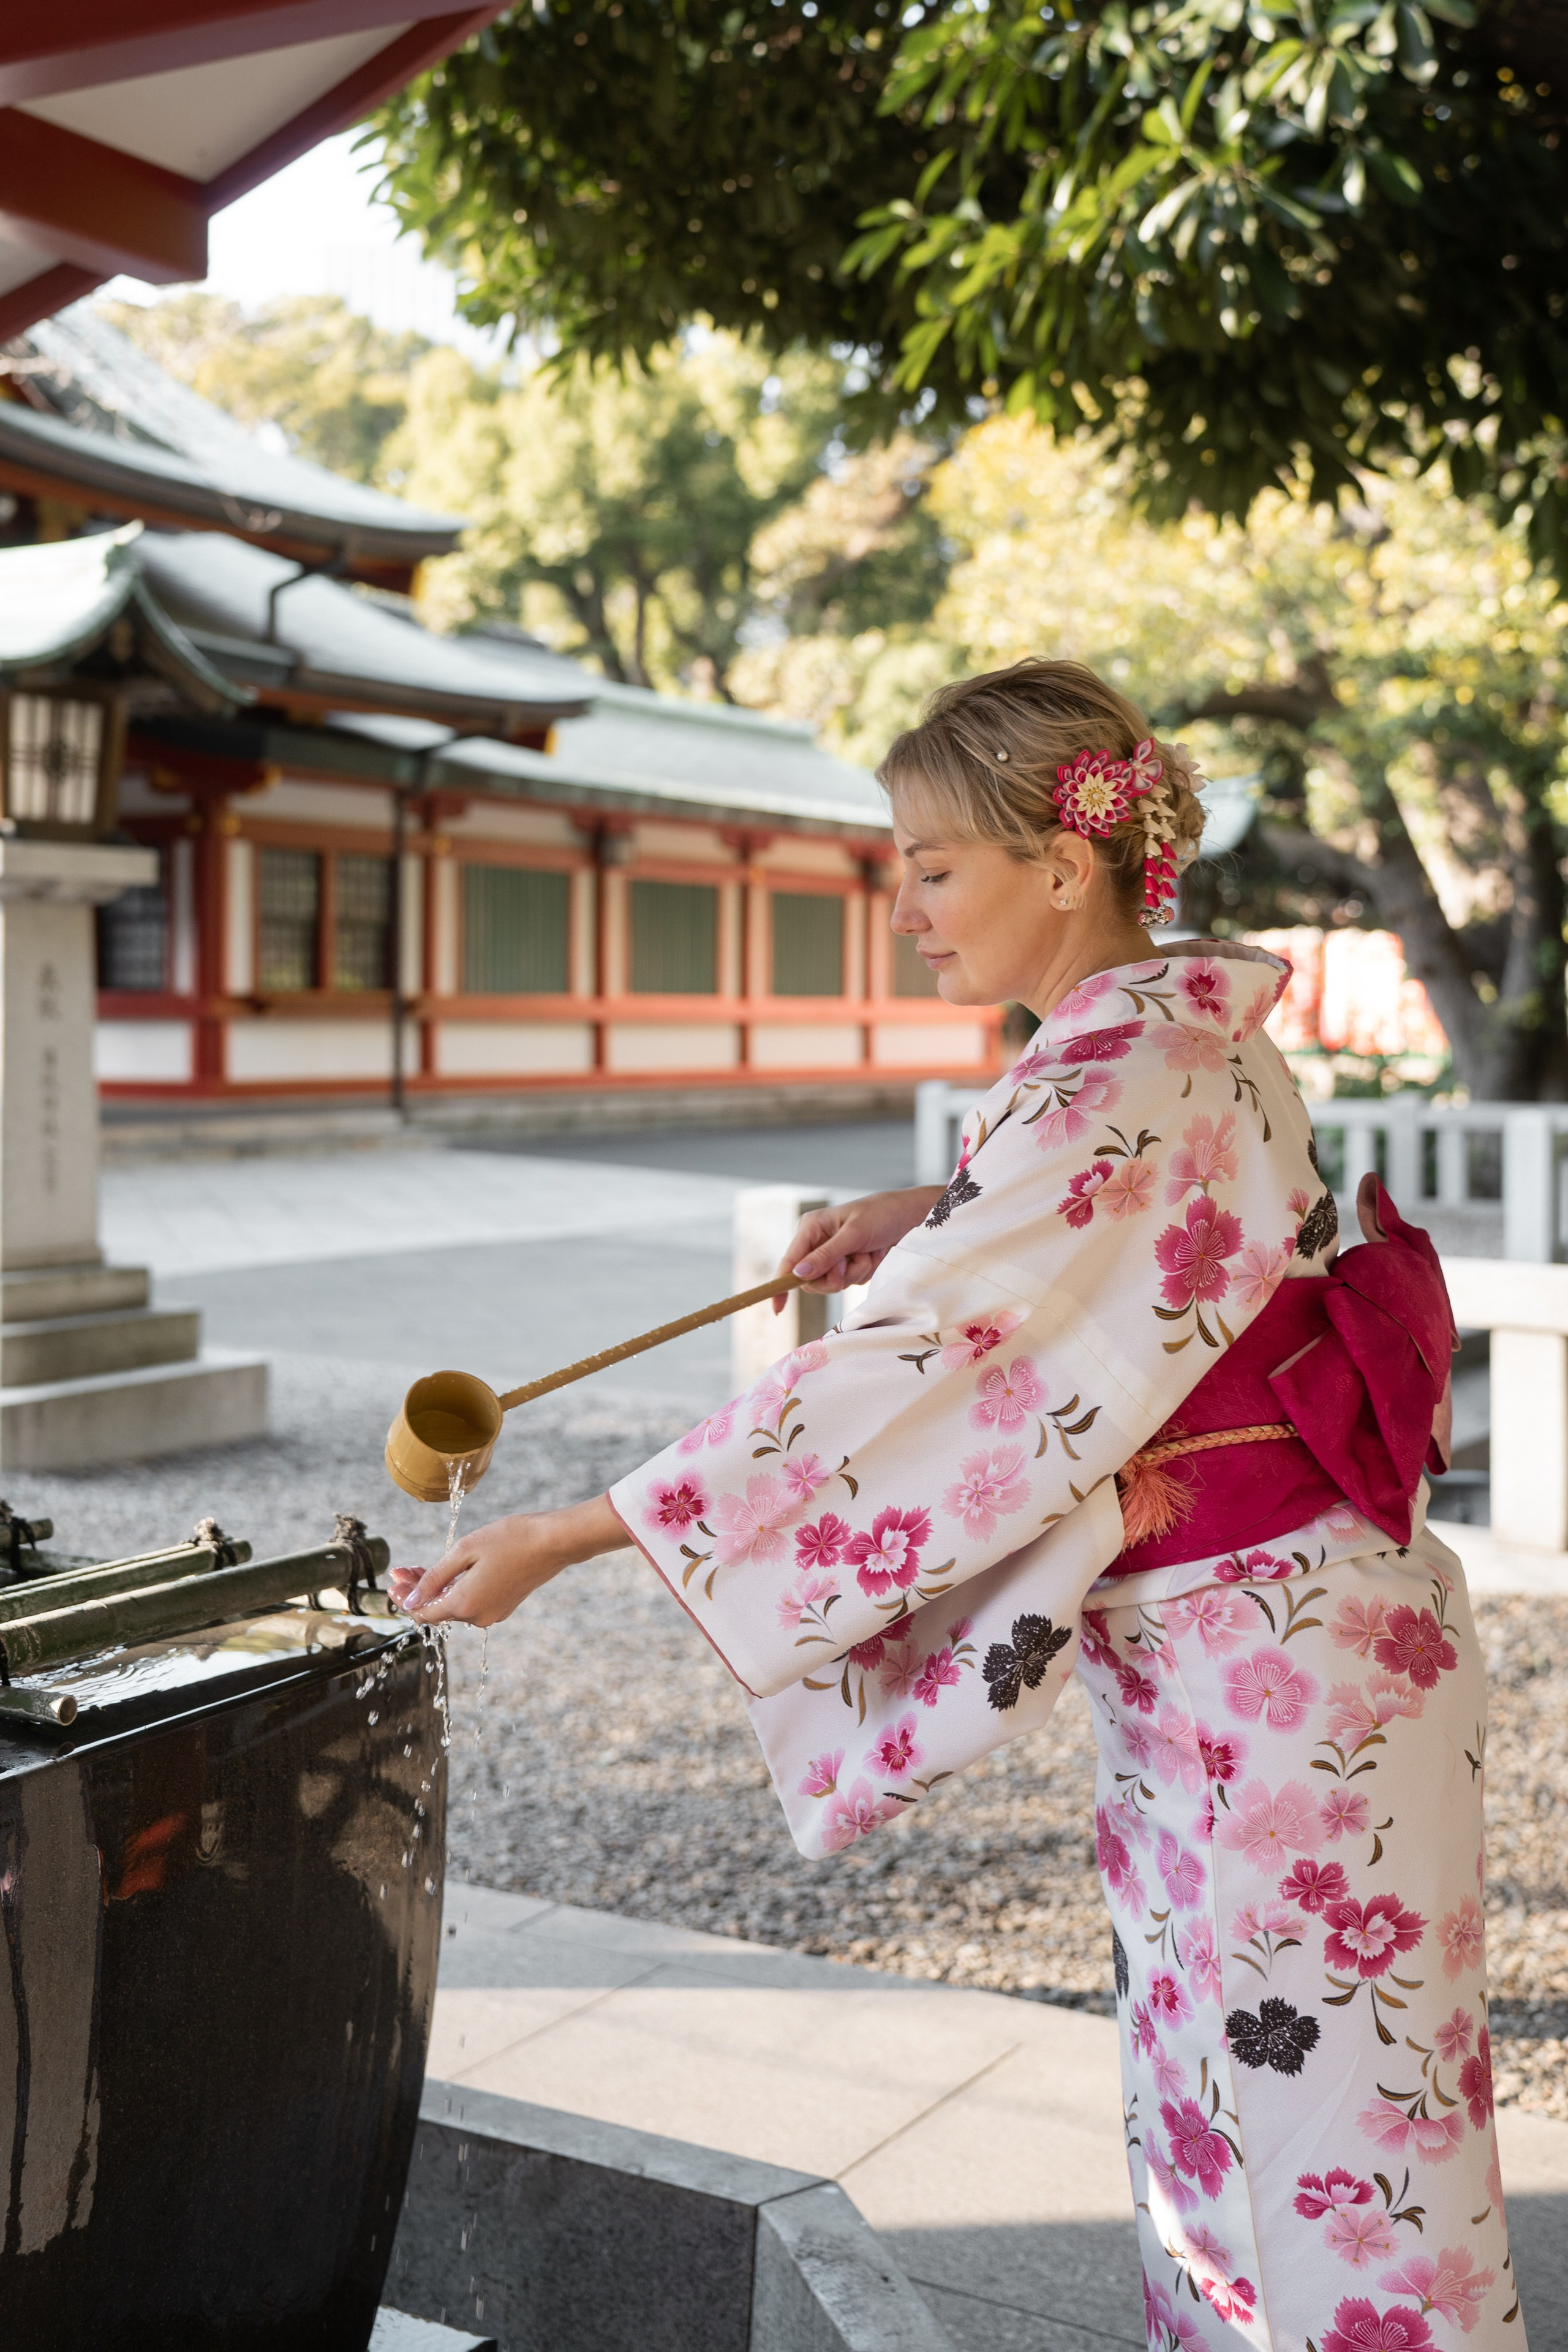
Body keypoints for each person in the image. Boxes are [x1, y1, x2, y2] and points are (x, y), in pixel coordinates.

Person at [391, 660, 1520, 2352]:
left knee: (1307, 2139)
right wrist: (934, 1205)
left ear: (1061, 865)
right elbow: (1133, 1240)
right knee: (1302, 2102)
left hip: (1271, 1670)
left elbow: (912, 1382)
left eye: (931, 867)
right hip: (1298, 1640)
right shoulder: (1168, 1036)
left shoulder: (1103, 1078)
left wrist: (564, 1537)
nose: (904, 908)